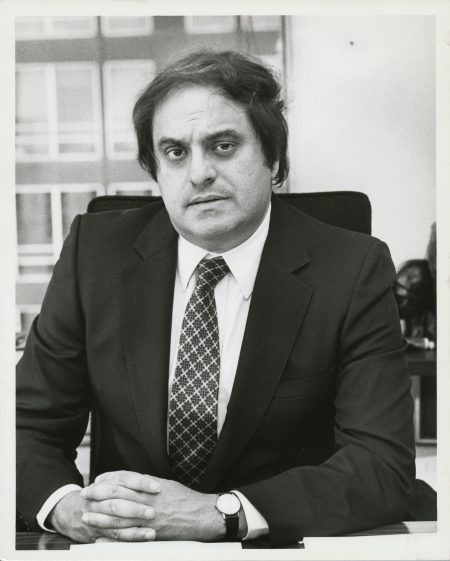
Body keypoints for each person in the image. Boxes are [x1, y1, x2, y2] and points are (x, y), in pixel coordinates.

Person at [16, 50, 415, 547]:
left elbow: (382, 464)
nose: (199, 173)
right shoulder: (94, 256)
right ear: (155, 171)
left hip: (279, 548)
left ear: (274, 160)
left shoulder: (352, 269)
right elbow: (23, 428)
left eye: (223, 146)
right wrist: (67, 507)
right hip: (129, 552)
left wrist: (220, 513)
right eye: (175, 153)